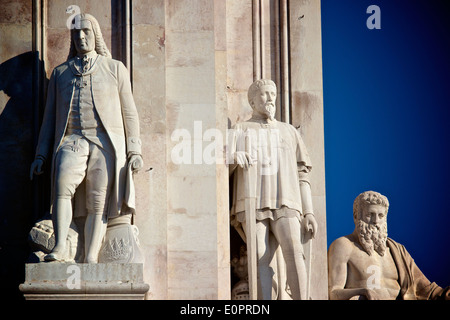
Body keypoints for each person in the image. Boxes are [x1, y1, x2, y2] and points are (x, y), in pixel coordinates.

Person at [30, 13, 143, 263]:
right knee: (61, 188)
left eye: (86, 32)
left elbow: (130, 114)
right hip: (71, 140)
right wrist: (41, 154)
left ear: (95, 35)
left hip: (105, 144)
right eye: (76, 33)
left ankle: (91, 256)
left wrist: (135, 150)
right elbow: (49, 120)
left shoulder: (115, 69)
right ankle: (60, 246)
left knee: (98, 201)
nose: (81, 37)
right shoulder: (61, 73)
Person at [229, 79, 318, 300]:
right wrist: (234, 157)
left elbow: (302, 174)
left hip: (287, 199)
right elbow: (224, 168)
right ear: (252, 101)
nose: (270, 98)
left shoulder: (289, 131)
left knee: (294, 251)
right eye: (264, 94)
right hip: (251, 200)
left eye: (272, 94)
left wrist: (309, 212)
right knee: (259, 255)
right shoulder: (240, 129)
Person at [328, 191, 449, 300]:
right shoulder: (344, 245)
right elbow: (333, 293)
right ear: (356, 216)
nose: (376, 221)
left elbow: (426, 290)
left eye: (381, 216)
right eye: (370, 214)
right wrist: (364, 292)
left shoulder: (397, 250)